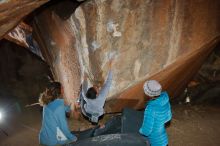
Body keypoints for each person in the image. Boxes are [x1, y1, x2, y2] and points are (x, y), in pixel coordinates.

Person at [79, 59, 113, 124]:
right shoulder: (102, 97)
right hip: (99, 115)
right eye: (97, 88)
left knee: (81, 98)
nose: (96, 87)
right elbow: (108, 82)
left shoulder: (85, 95)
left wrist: (85, 78)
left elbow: (83, 86)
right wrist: (111, 66)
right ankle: (96, 120)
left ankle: (92, 120)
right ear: (97, 95)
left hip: (86, 114)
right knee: (101, 112)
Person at [139, 80, 172, 146]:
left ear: (149, 93)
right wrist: (159, 122)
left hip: (155, 141)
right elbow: (168, 117)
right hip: (163, 139)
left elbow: (146, 131)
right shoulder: (165, 99)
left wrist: (140, 130)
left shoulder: (151, 108)